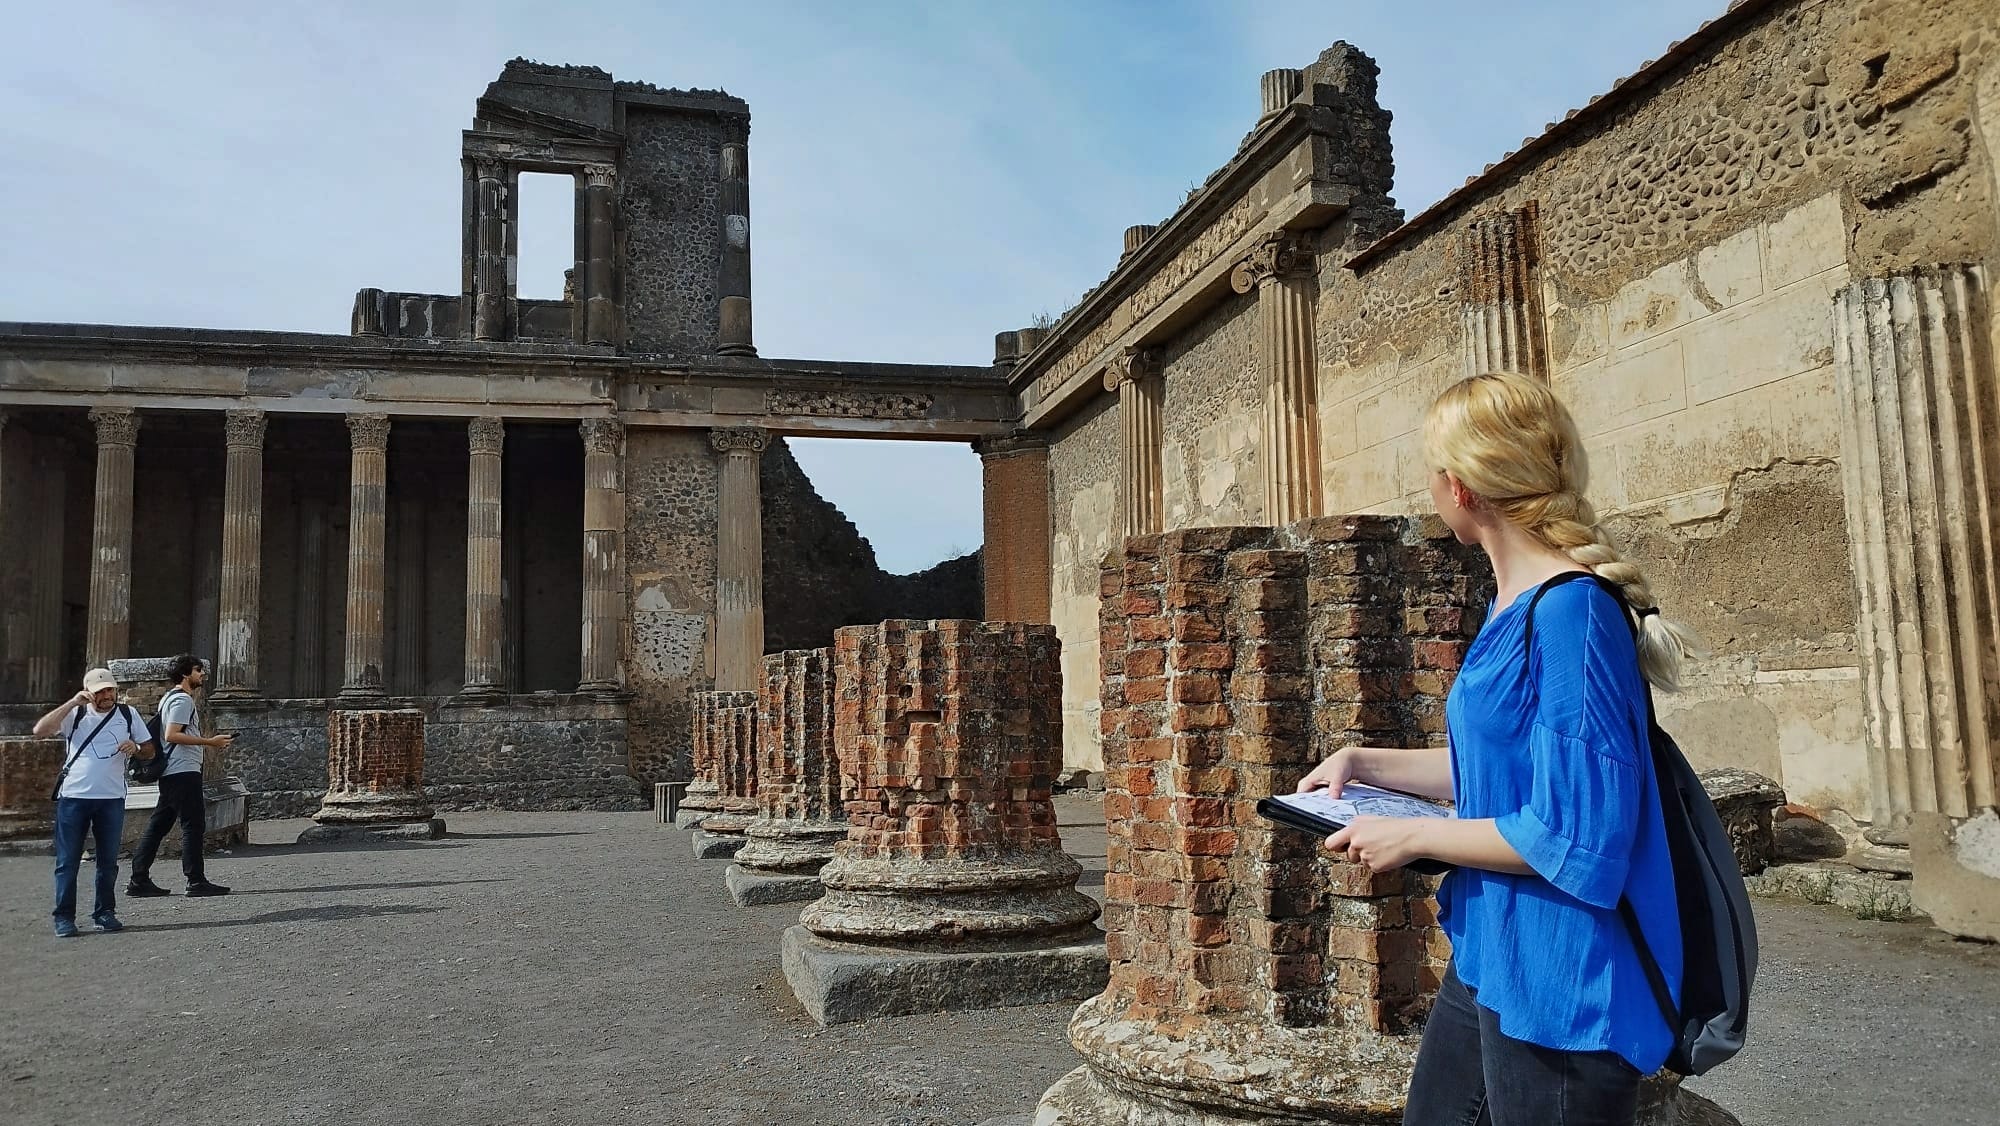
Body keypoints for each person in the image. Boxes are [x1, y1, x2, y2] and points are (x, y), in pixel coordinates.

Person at [1296, 372, 1701, 1126]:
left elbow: (1577, 837)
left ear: (1460, 487)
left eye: (1432, 471)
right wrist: (1364, 762)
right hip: (1494, 953)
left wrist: (1412, 837)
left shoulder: (1573, 615)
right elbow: (1503, 773)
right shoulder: (1514, 604)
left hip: (1563, 985)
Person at [31, 667, 156, 937]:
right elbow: (40, 730)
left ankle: (105, 912)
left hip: (111, 799)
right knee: (67, 862)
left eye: (110, 690)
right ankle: (64, 917)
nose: (107, 695)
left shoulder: (127, 714)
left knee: (108, 862)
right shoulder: (75, 714)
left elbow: (150, 750)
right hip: (74, 797)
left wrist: (135, 747)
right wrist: (72, 703)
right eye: (101, 692)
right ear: (89, 692)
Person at [128, 654, 233, 898]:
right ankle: (195, 880)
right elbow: (171, 735)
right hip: (182, 770)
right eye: (198, 670)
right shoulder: (182, 700)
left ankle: (138, 879)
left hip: (175, 771)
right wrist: (210, 742)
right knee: (193, 825)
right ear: (186, 674)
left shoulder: (169, 698)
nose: (202, 674)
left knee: (159, 825)